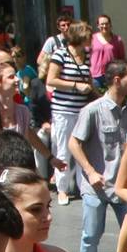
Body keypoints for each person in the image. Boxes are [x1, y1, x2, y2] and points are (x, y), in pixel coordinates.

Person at [68, 60, 127, 252]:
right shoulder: (93, 110)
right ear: (117, 80)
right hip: (97, 186)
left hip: (125, 185)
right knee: (92, 233)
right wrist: (90, 172)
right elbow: (74, 143)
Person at [45, 20, 95, 206]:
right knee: (64, 149)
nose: (91, 39)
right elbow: (51, 80)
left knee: (83, 148)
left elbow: (88, 80)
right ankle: (62, 189)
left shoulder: (87, 55)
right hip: (64, 109)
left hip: (82, 109)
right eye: (88, 35)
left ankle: (84, 187)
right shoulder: (61, 54)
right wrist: (75, 85)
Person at [90, 14, 126, 87]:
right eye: (102, 24)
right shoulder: (92, 39)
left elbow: (121, 59)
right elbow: (86, 55)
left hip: (111, 75)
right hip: (95, 76)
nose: (104, 26)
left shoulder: (117, 40)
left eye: (107, 24)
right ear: (98, 26)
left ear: (110, 25)